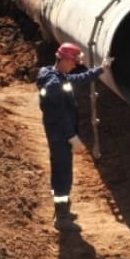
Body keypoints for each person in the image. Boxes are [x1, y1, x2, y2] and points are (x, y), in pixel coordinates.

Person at [36, 42, 110, 232]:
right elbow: (59, 114)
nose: (76, 64)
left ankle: (62, 210)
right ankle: (61, 218)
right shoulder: (54, 84)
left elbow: (77, 79)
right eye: (74, 61)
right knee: (62, 174)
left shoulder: (57, 76)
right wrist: (71, 136)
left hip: (59, 134)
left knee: (62, 172)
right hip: (59, 135)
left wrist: (100, 70)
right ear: (65, 59)